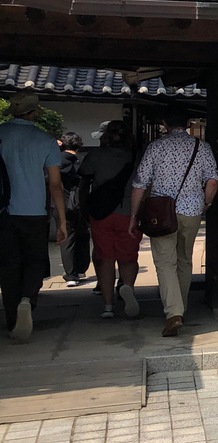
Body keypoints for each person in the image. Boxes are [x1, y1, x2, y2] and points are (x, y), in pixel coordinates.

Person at [129, 107, 218, 337]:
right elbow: (212, 181)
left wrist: (134, 216)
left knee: (165, 263)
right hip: (192, 211)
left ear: (164, 124)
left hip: (160, 213)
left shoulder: (156, 147)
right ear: (188, 123)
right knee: (184, 260)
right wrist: (206, 203)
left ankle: (173, 313)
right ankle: (182, 308)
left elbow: (139, 184)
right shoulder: (202, 147)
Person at [0, 88, 67, 341]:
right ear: (34, 113)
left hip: (3, 211)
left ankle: (12, 321)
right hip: (34, 211)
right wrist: (62, 221)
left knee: (8, 265)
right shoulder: (45, 140)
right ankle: (28, 298)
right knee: (35, 260)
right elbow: (56, 185)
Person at [78, 121, 141, 319]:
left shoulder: (95, 156)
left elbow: (83, 186)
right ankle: (127, 287)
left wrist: (84, 211)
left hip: (101, 213)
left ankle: (108, 306)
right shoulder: (137, 157)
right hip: (130, 213)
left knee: (105, 258)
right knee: (128, 257)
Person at [58, 131, 93, 287]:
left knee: (67, 238)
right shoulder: (83, 160)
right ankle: (81, 269)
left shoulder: (57, 159)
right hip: (82, 202)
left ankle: (70, 274)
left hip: (62, 203)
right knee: (83, 236)